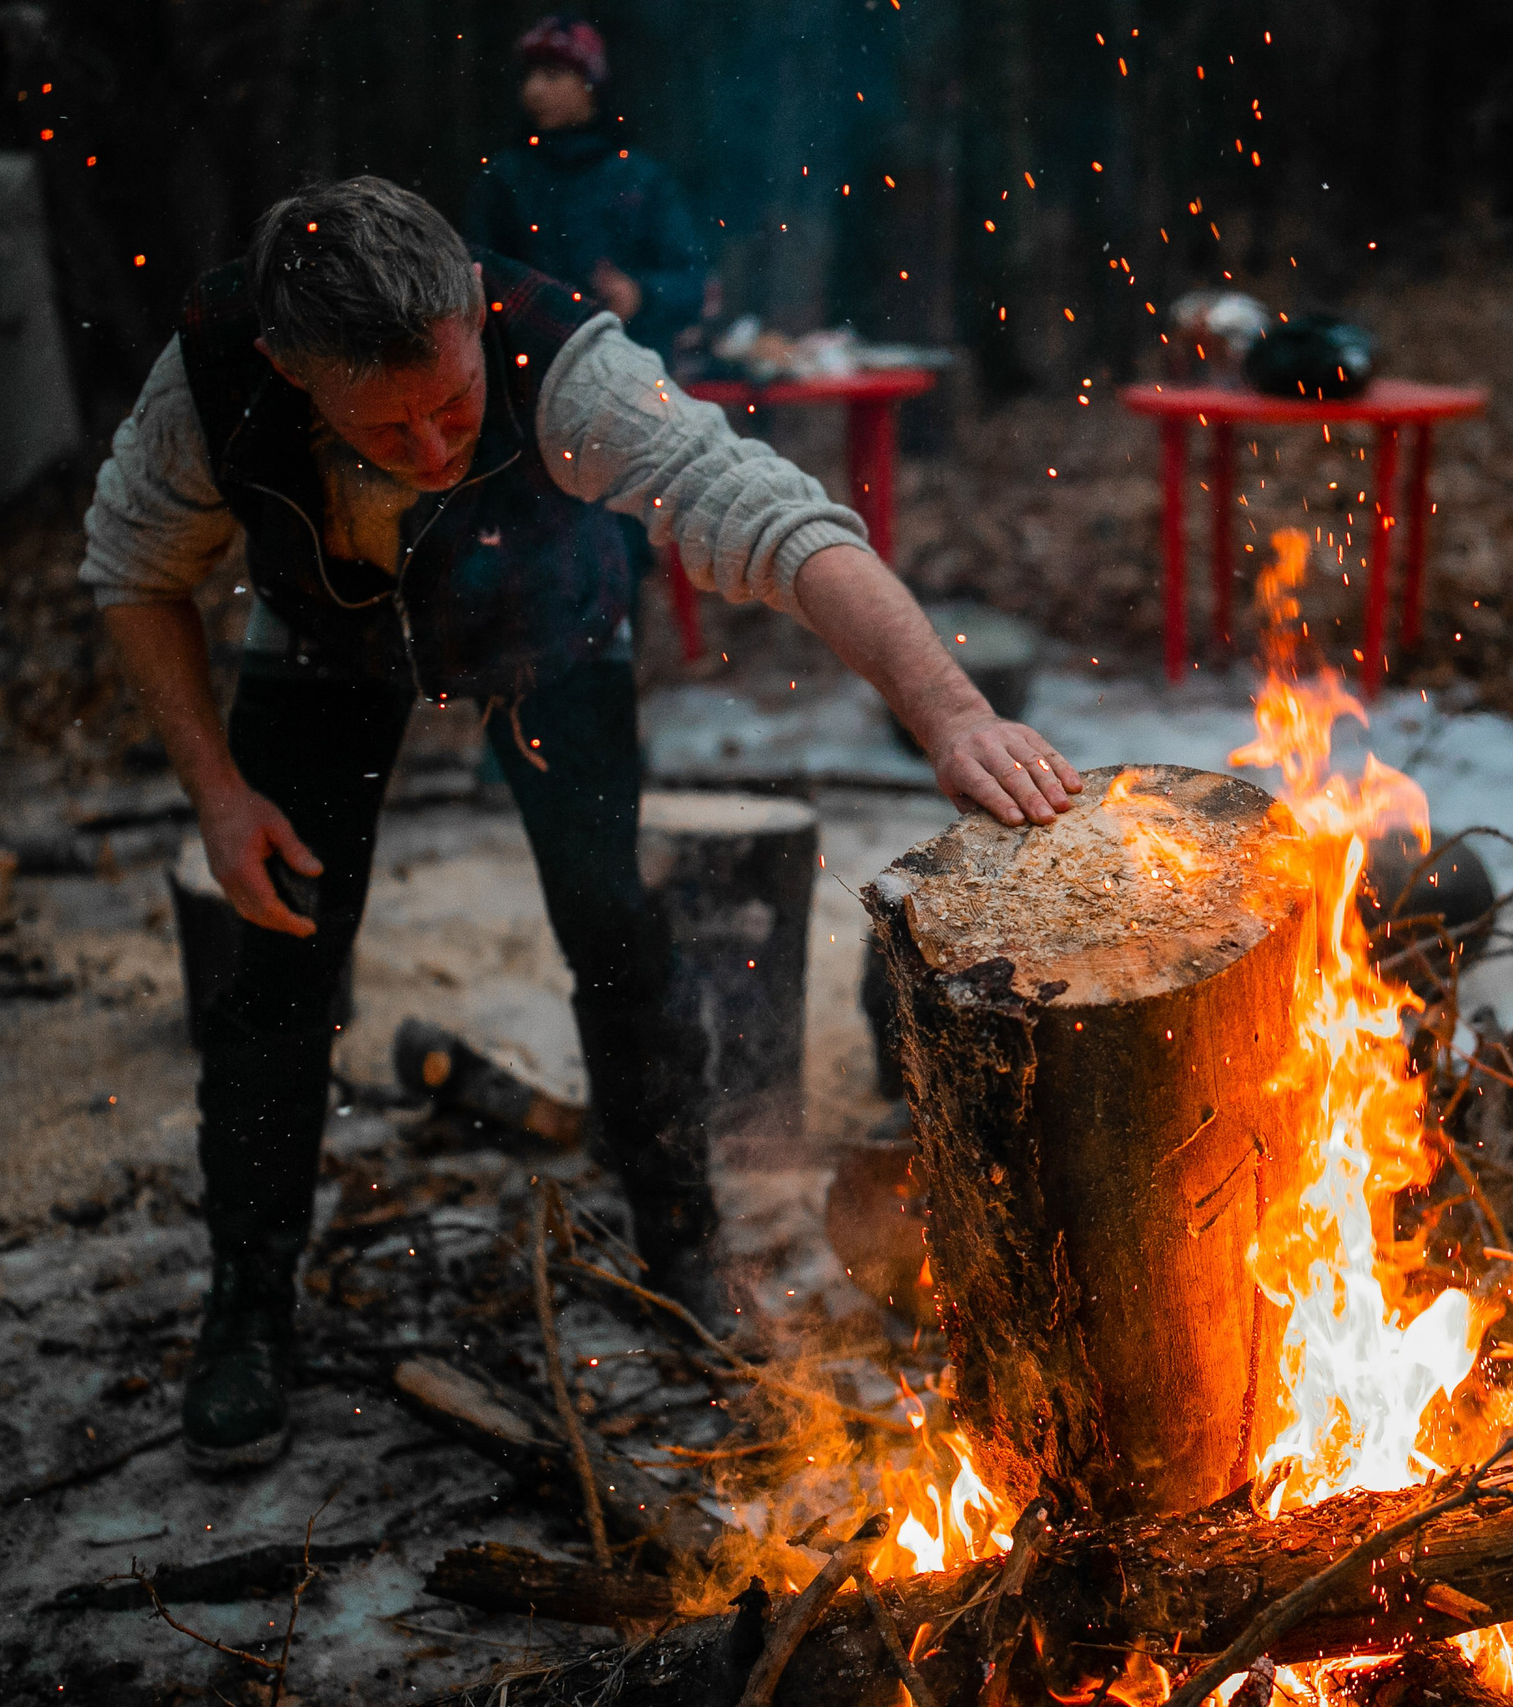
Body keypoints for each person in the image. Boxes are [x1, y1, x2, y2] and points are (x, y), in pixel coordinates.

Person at [82, 176, 1080, 1471]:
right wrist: (218, 791)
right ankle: (248, 1306)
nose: (440, 450)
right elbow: (132, 566)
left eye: (455, 406)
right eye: (394, 426)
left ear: (468, 314)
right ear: (290, 366)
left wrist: (947, 711)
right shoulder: (212, 375)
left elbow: (777, 517)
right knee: (276, 960)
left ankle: (682, 1247)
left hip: (548, 624)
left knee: (613, 917)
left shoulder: (555, 352)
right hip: (320, 642)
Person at [463, 16, 712, 364]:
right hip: (529, 376)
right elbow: (475, 280)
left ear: (590, 84)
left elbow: (693, 283)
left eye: (552, 76)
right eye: (528, 77)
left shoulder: (640, 178)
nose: (534, 90)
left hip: (631, 369)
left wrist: (639, 295)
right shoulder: (505, 180)